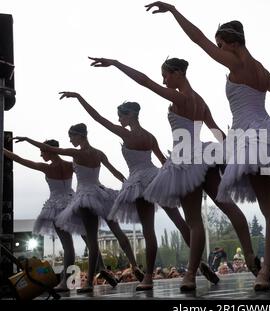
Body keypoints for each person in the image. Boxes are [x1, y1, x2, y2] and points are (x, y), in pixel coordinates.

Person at [145, 1, 270, 291]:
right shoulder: (261, 69)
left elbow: (197, 39)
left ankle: (265, 274)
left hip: (251, 139)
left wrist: (174, 12)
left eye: (220, 44)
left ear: (232, 44)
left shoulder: (235, 62)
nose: (218, 49)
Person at [88, 56, 260, 291]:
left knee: (193, 222)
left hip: (185, 161)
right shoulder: (200, 101)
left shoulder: (180, 97)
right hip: (204, 155)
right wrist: (229, 155)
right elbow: (217, 131)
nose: (163, 79)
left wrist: (117, 64)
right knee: (228, 206)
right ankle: (250, 257)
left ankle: (189, 274)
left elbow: (145, 82)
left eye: (166, 74)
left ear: (178, 73)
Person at [58, 92, 215, 291]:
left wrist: (79, 97)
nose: (118, 119)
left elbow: (97, 117)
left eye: (121, 116)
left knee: (148, 230)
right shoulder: (149, 136)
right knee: (180, 221)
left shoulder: (127, 134)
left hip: (140, 182)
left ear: (130, 115)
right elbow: (161, 161)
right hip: (157, 177)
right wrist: (174, 176)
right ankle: (200, 263)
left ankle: (148, 277)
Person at [14, 124, 139, 292]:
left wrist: (25, 141)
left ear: (79, 136)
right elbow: (114, 171)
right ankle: (131, 265)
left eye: (71, 136)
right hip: (98, 194)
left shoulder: (74, 155)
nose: (70, 140)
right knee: (109, 233)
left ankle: (82, 282)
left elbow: (31, 156)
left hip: (81, 198)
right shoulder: (94, 155)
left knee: (87, 241)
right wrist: (127, 184)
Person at [3, 140, 76, 291]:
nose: (41, 154)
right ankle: (73, 279)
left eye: (43, 151)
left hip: (56, 206)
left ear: (50, 150)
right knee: (77, 243)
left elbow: (20, 159)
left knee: (67, 245)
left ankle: (65, 282)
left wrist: (3, 150)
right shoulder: (71, 165)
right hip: (72, 202)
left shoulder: (46, 168)